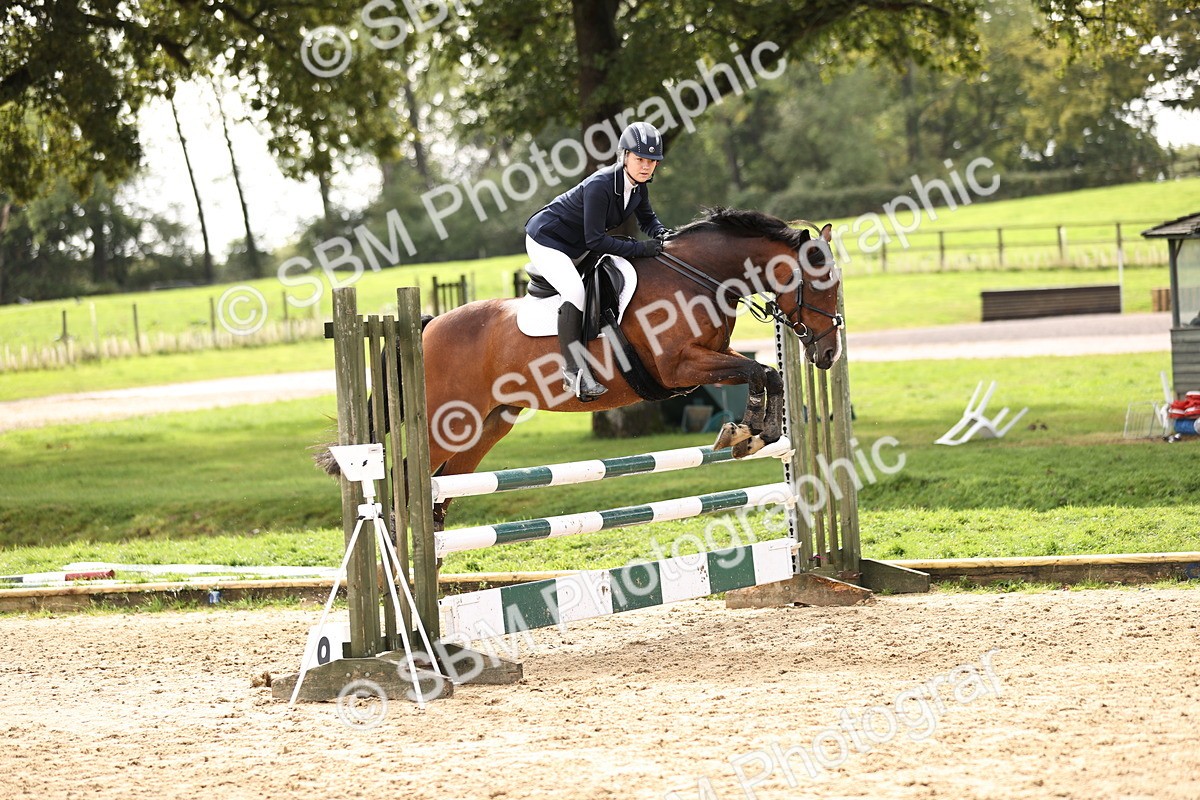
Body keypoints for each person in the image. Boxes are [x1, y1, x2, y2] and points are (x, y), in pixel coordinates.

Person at [525, 121, 673, 401]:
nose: (646, 166)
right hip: (547, 239)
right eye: (640, 159)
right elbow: (595, 241)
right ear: (624, 156)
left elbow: (648, 220)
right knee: (574, 291)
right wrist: (642, 249)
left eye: (652, 162)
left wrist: (663, 235)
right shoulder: (601, 185)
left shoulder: (638, 187)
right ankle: (573, 372)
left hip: (576, 243)